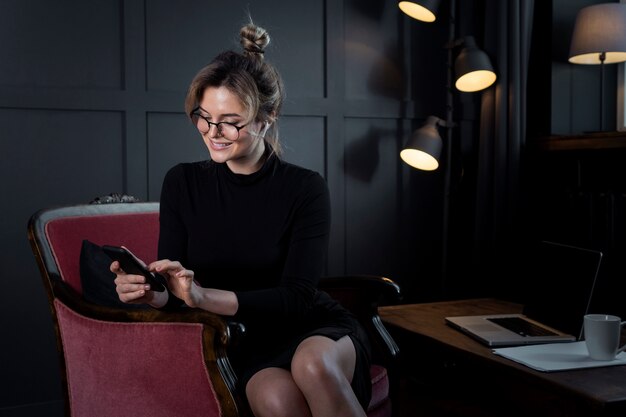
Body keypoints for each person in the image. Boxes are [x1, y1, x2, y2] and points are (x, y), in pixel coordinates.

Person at [111, 20, 372, 417]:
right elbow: (175, 289)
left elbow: (296, 298)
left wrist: (202, 296)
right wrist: (152, 293)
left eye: (230, 121)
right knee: (276, 399)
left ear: (267, 117)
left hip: (312, 328)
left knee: (312, 366)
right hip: (246, 339)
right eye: (203, 116)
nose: (213, 132)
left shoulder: (306, 188)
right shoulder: (182, 182)